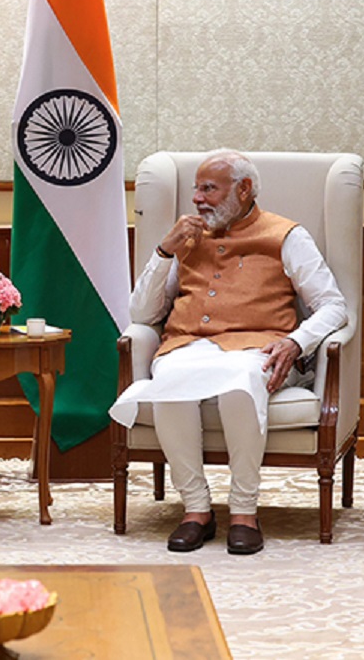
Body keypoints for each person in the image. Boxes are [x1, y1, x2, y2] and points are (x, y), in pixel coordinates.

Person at [109, 149, 347, 555]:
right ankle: (197, 510)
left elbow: (333, 305)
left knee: (241, 383)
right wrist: (165, 251)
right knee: (170, 382)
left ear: (244, 189)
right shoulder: (184, 239)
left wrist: (295, 342)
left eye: (209, 189)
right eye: (196, 189)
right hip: (187, 345)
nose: (198, 199)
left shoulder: (286, 235)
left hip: (257, 349)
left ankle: (243, 512)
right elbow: (143, 313)